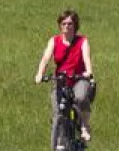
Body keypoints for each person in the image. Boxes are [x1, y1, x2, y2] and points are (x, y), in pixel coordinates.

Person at [34, 9, 95, 142]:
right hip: (61, 80)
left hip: (78, 78)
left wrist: (88, 72)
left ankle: (84, 125)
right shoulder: (54, 41)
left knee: (80, 97)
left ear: (75, 25)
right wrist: (40, 74)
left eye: (69, 23)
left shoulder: (82, 41)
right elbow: (45, 59)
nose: (66, 26)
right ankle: (58, 150)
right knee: (58, 113)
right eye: (63, 23)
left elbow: (86, 58)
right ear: (60, 25)